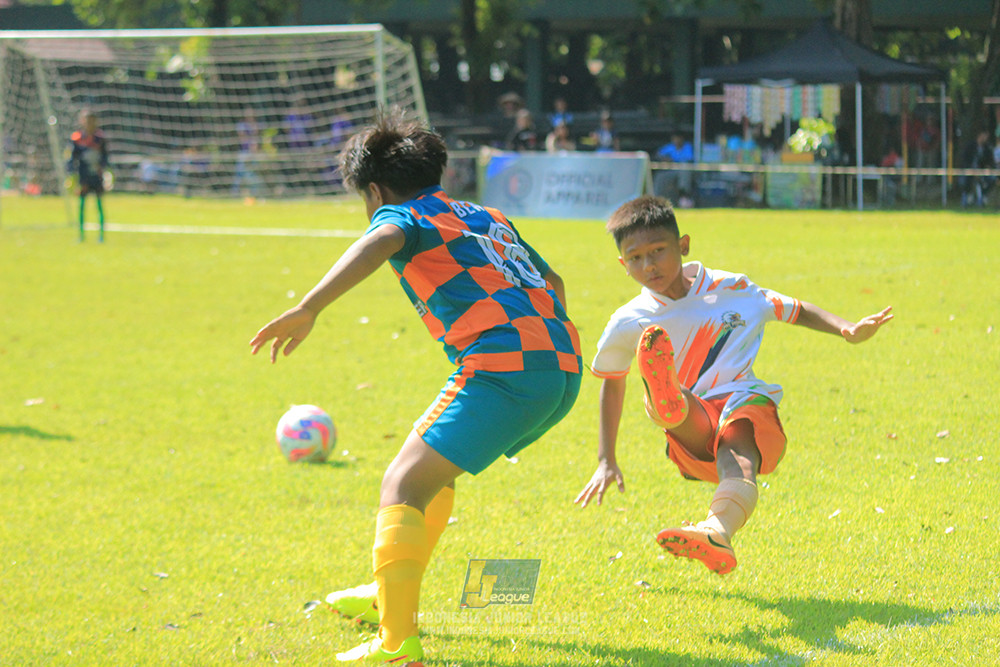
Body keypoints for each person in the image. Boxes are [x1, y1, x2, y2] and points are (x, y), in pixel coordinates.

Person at [249, 108, 582, 663]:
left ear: (375, 190)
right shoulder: (486, 214)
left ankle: (397, 644)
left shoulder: (404, 216)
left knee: (400, 485)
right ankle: (386, 595)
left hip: (505, 367)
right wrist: (549, 351)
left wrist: (309, 308)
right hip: (560, 365)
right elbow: (553, 280)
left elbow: (380, 241)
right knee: (430, 474)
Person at [575, 196, 892, 576]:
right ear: (622, 265)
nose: (649, 265)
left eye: (658, 251)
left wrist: (846, 329)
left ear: (684, 245)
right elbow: (611, 383)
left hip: (745, 403)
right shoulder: (629, 320)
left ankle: (713, 524)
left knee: (738, 452)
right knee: (684, 407)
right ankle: (669, 408)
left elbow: (792, 308)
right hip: (694, 431)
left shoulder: (734, 287)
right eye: (636, 258)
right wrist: (605, 459)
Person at [67, 109, 109, 242]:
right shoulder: (77, 138)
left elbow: (105, 157)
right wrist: (71, 174)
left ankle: (101, 235)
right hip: (83, 177)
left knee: (99, 205)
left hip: (96, 176)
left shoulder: (101, 139)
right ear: (82, 121)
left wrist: (104, 169)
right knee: (82, 205)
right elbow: (71, 158)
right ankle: (81, 235)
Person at [654, 133, 694, 204]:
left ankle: (684, 197)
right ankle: (656, 199)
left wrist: (674, 160)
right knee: (660, 177)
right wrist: (665, 159)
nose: (676, 141)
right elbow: (658, 154)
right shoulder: (670, 147)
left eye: (678, 139)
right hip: (671, 170)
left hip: (683, 170)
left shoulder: (687, 147)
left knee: (684, 171)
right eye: (674, 139)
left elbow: (689, 159)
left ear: (681, 139)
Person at [960, 130, 996, 208]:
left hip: (982, 172)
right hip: (969, 171)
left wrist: (988, 167)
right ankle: (967, 197)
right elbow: (964, 159)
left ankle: (983, 197)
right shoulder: (970, 146)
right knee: (965, 180)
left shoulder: (987, 148)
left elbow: (990, 161)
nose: (986, 138)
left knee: (992, 179)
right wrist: (970, 169)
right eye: (985, 136)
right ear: (980, 135)